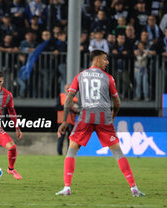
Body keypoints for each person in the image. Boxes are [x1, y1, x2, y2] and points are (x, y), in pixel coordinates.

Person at [56, 49, 145, 197]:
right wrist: (112, 118)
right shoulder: (108, 78)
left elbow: (69, 99)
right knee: (117, 152)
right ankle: (134, 189)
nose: (107, 62)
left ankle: (66, 188)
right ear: (96, 59)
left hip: (86, 115)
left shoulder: (80, 76)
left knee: (71, 150)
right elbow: (117, 103)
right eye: (105, 59)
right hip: (104, 117)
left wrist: (65, 120)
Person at [56, 84, 78, 155]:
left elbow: (77, 109)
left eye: (69, 89)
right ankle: (59, 154)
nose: (68, 91)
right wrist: (67, 106)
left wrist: (74, 108)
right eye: (67, 89)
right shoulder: (61, 96)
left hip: (71, 121)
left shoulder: (74, 99)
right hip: (62, 121)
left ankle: (69, 154)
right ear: (65, 90)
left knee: (70, 139)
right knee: (61, 138)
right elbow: (57, 107)